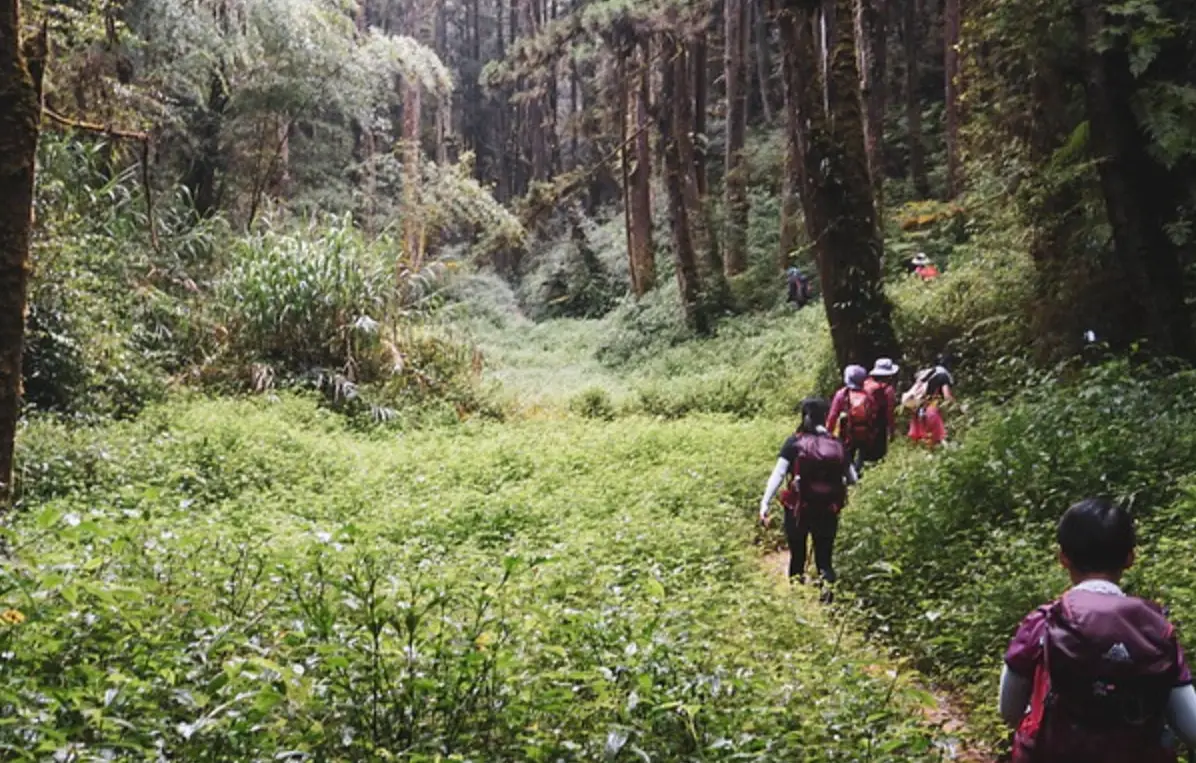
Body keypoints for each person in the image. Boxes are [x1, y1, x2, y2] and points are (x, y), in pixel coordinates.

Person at [1000, 498, 1196, 762]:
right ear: (1130, 558)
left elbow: (1009, 710)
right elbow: (1191, 726)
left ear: (1063, 558)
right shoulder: (1155, 628)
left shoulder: (1044, 621)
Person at [758, 397, 853, 594]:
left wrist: (765, 503)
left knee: (798, 556)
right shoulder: (836, 444)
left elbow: (779, 474)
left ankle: (797, 599)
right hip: (828, 509)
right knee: (824, 559)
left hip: (797, 509)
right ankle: (827, 598)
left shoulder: (794, 442)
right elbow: (852, 477)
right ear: (826, 417)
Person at [828, 365, 881, 475]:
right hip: (865, 433)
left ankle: (849, 476)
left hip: (847, 433)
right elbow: (874, 414)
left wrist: (828, 433)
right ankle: (858, 473)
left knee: (847, 456)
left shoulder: (841, 394)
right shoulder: (868, 395)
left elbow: (833, 415)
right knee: (861, 455)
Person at [904, 360, 954, 447]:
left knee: (920, 443)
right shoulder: (943, 376)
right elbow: (947, 397)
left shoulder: (926, 376)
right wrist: (957, 406)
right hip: (931, 411)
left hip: (917, 410)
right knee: (938, 442)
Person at [865, 358, 899, 461]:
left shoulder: (866, 383)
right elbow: (890, 412)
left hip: (862, 424)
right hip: (878, 425)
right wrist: (892, 431)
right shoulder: (888, 389)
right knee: (878, 456)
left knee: (865, 453)